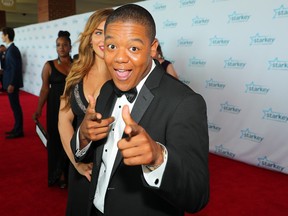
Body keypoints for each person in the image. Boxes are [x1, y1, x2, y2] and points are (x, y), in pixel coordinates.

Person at [71, 4, 209, 216]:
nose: (119, 58)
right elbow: (84, 153)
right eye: (111, 47)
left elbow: (197, 195)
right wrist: (84, 136)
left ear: (153, 48)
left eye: (133, 48)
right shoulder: (107, 89)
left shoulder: (185, 102)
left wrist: (158, 159)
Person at [58, 8, 114, 216]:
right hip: (83, 167)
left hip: (115, 170)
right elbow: (63, 120)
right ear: (89, 38)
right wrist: (77, 164)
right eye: (98, 32)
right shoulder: (76, 73)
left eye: (109, 32)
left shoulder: (125, 73)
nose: (103, 38)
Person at [32, 30, 72, 188]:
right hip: (55, 108)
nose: (61, 48)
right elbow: (44, 89)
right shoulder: (49, 65)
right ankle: (58, 174)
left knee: (70, 140)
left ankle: (70, 174)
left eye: (64, 45)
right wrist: (39, 109)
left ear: (70, 47)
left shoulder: (77, 65)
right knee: (55, 141)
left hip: (72, 108)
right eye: (58, 45)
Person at [1, 27, 24, 139]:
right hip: (10, 82)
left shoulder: (13, 49)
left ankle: (19, 131)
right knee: (14, 107)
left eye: (2, 34)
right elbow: (8, 67)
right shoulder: (9, 49)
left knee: (16, 107)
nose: (1, 36)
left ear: (7, 35)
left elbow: (16, 68)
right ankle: (16, 128)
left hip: (12, 84)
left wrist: (12, 84)